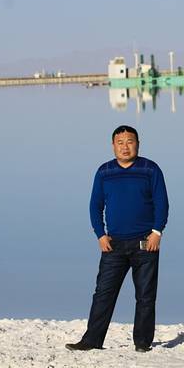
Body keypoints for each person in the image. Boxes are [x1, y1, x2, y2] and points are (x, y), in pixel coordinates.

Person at [66, 125, 169, 352]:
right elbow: (95, 206)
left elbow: (162, 202)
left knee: (145, 295)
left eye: (130, 142)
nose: (125, 147)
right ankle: (91, 340)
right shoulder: (104, 172)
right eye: (120, 142)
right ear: (113, 145)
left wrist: (157, 232)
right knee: (103, 293)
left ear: (138, 144)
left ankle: (142, 343)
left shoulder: (150, 169)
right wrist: (100, 234)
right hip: (113, 244)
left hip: (145, 243)